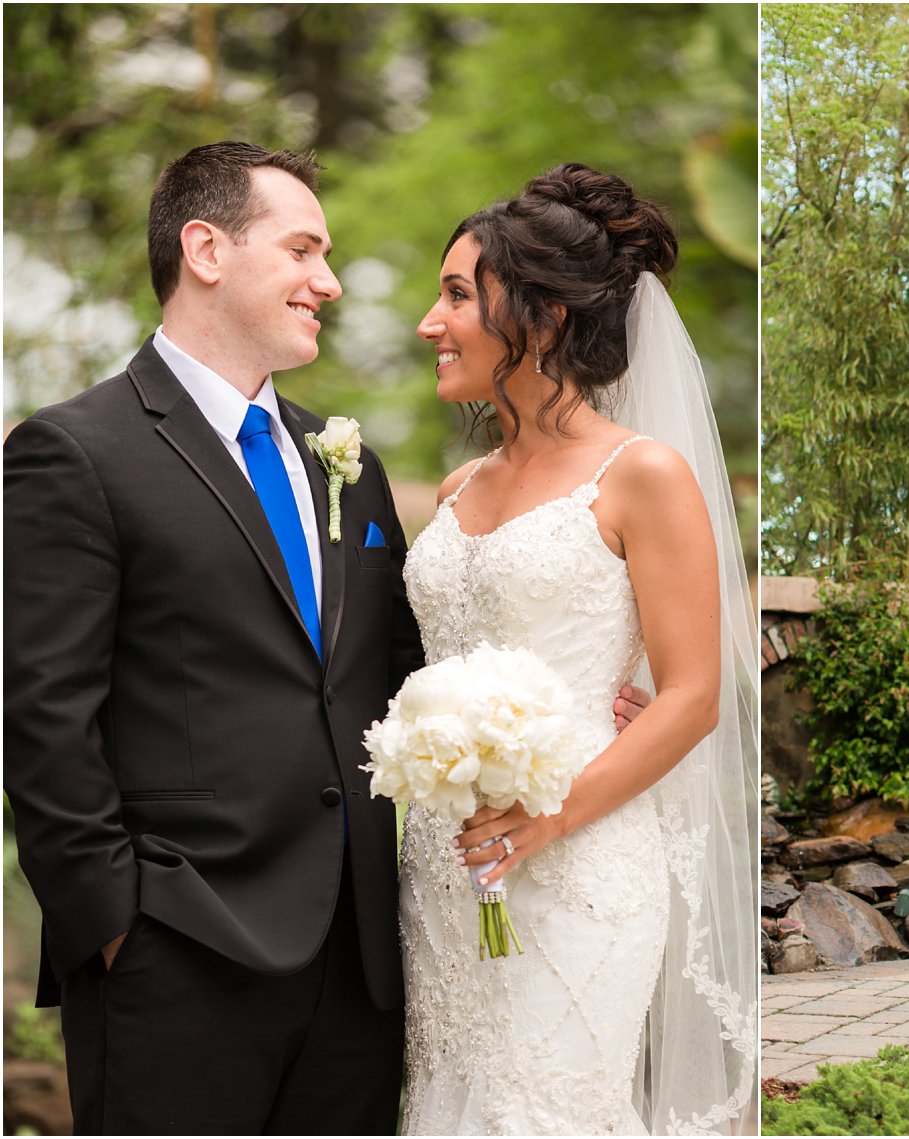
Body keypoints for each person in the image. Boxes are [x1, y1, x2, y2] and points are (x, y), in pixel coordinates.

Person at [3, 141, 422, 1133]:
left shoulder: (345, 464)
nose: (326, 281)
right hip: (176, 957)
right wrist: (115, 927)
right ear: (206, 248)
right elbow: (41, 714)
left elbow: (397, 674)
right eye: (303, 249)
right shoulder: (75, 452)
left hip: (358, 970)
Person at [400, 163, 758, 1134]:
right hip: (441, 867)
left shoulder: (640, 472)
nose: (429, 322)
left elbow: (690, 695)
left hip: (579, 861)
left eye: (457, 294)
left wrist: (546, 821)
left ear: (544, 318)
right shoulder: (455, 487)